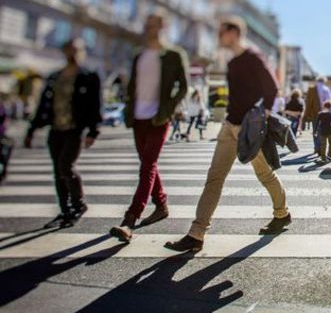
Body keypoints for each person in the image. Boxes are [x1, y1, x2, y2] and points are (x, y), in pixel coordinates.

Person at [165, 16, 290, 252]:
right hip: (229, 126)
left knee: (264, 174)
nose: (218, 37)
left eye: (221, 32)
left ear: (233, 33)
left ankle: (282, 213)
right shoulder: (232, 63)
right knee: (215, 178)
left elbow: (272, 87)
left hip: (248, 129)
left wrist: (261, 117)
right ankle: (197, 233)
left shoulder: (253, 57)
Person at [110, 13, 189, 242]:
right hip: (138, 118)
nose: (149, 28)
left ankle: (130, 220)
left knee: (147, 165)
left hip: (158, 118)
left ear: (164, 26)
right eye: (147, 24)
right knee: (148, 164)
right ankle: (161, 205)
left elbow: (183, 86)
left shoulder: (174, 55)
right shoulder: (139, 55)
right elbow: (132, 86)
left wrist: (168, 108)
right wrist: (128, 108)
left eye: (153, 24)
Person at [25, 38, 102, 228]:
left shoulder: (89, 75)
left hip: (74, 129)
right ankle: (65, 211)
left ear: (82, 52)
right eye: (70, 50)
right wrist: (32, 129)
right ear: (65, 51)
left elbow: (95, 105)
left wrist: (93, 130)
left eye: (77, 50)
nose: (73, 54)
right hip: (56, 128)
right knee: (58, 171)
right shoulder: (55, 76)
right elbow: (44, 103)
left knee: (66, 166)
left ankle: (79, 204)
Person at [304, 76, 331, 156]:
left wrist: (307, 114)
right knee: (324, 131)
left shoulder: (312, 89)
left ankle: (317, 147)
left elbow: (308, 102)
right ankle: (322, 148)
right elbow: (329, 101)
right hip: (325, 113)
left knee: (315, 130)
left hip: (315, 113)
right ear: (324, 81)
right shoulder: (326, 89)